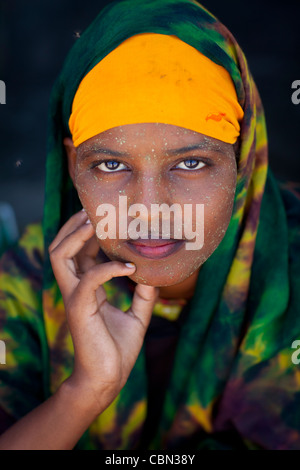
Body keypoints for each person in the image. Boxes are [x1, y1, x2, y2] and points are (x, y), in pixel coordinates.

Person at [0, 0, 299, 450]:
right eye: (110, 164)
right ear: (72, 166)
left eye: (192, 162)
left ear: (241, 162)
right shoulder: (24, 282)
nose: (149, 208)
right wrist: (85, 394)